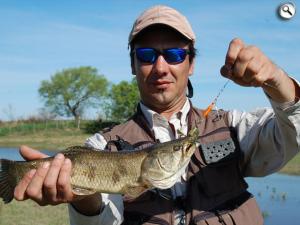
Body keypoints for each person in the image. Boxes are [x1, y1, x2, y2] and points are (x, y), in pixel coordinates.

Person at [14, 5, 300, 225]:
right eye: (147, 55)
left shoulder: (235, 126)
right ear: (133, 65)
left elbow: (291, 136)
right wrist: (83, 200)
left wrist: (278, 81)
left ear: (191, 64)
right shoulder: (102, 146)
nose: (161, 67)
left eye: (175, 54)